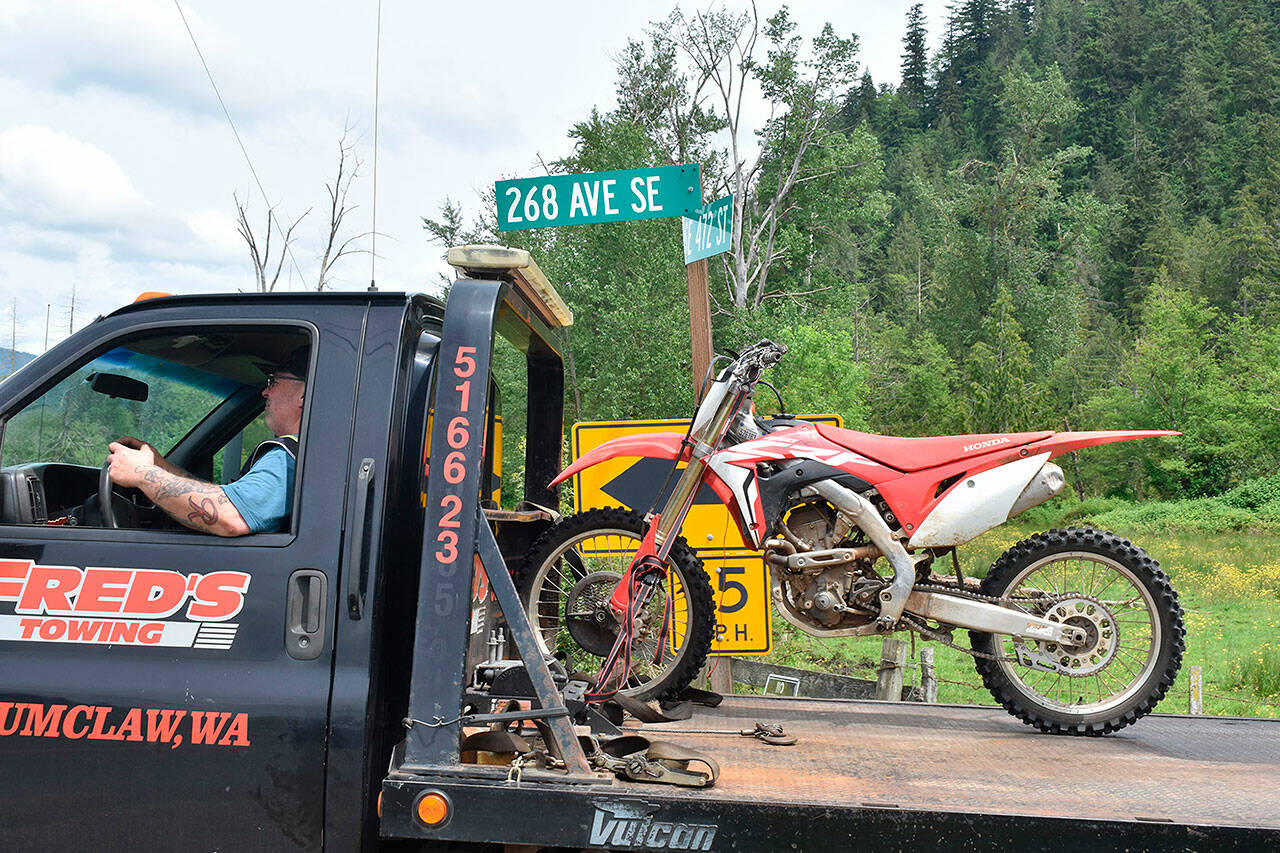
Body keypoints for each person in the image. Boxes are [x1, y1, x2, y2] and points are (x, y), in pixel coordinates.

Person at [106, 346, 308, 536]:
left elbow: (231, 515)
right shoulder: (306, 453)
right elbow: (226, 496)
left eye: (273, 382)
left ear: (303, 395)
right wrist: (159, 465)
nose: (265, 392)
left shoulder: (288, 457)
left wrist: (142, 473)